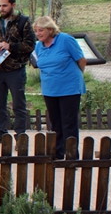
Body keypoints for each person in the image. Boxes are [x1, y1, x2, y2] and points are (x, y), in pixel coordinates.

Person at [34, 16, 86, 160]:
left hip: (69, 88)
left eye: (41, 30)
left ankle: (72, 156)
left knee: (69, 123)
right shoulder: (39, 46)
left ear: (50, 30)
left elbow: (81, 60)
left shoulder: (66, 40)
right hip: (50, 89)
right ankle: (57, 153)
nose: (38, 34)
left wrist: (75, 77)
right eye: (36, 31)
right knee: (55, 123)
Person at [0, 0, 35, 142]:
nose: (2, 9)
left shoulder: (23, 22)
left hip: (16, 69)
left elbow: (30, 45)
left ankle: (20, 133)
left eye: (5, 5)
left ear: (13, 5)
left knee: (18, 103)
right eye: (0, 6)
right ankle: (1, 131)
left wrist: (11, 46)